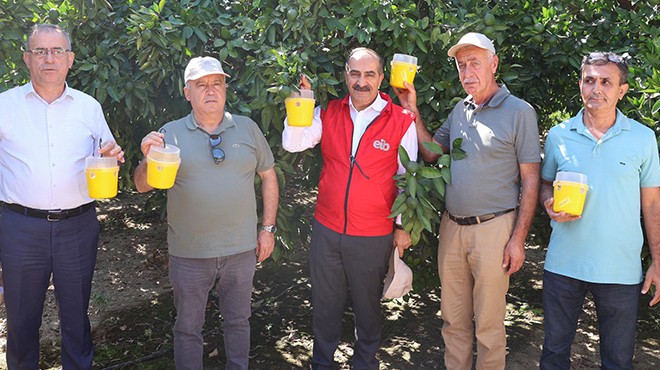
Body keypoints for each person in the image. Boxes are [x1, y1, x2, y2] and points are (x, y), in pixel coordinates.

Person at [398, 32, 541, 369]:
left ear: (494, 63)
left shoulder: (519, 112)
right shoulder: (459, 111)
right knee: (453, 321)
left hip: (495, 229)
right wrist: (412, 110)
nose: (467, 72)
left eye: (475, 63)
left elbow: (531, 178)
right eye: (462, 66)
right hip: (453, 227)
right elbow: (433, 152)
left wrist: (518, 239)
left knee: (489, 327)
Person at [133, 56, 279, 370]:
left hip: (240, 250)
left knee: (239, 322)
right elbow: (143, 186)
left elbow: (268, 175)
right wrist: (148, 159)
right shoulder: (169, 134)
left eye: (216, 83)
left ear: (225, 88)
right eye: (201, 85)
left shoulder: (248, 128)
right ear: (187, 92)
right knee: (187, 328)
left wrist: (268, 229)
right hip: (189, 253)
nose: (210, 90)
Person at [282, 47, 417, 369]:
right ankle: (322, 363)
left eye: (370, 74)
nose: (361, 81)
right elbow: (293, 143)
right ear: (346, 75)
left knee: (367, 308)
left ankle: (364, 364)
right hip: (327, 229)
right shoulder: (328, 112)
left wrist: (401, 228)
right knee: (325, 306)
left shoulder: (400, 120)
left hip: (372, 234)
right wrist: (303, 102)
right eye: (355, 74)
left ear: (382, 78)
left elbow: (407, 177)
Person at [0, 24, 125, 369]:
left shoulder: (89, 107)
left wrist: (112, 156)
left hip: (78, 226)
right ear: (27, 59)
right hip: (20, 226)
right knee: (22, 320)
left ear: (70, 60)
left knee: (75, 316)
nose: (49, 58)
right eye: (40, 51)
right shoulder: (4, 106)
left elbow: (107, 152)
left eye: (57, 51)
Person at [538, 51, 660, 370]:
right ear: (580, 84)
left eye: (606, 81)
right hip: (564, 265)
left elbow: (652, 204)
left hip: (620, 269)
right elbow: (545, 183)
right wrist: (548, 202)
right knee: (553, 354)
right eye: (589, 80)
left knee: (618, 361)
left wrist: (658, 261)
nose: (597, 88)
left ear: (622, 90)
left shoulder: (643, 139)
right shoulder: (558, 135)